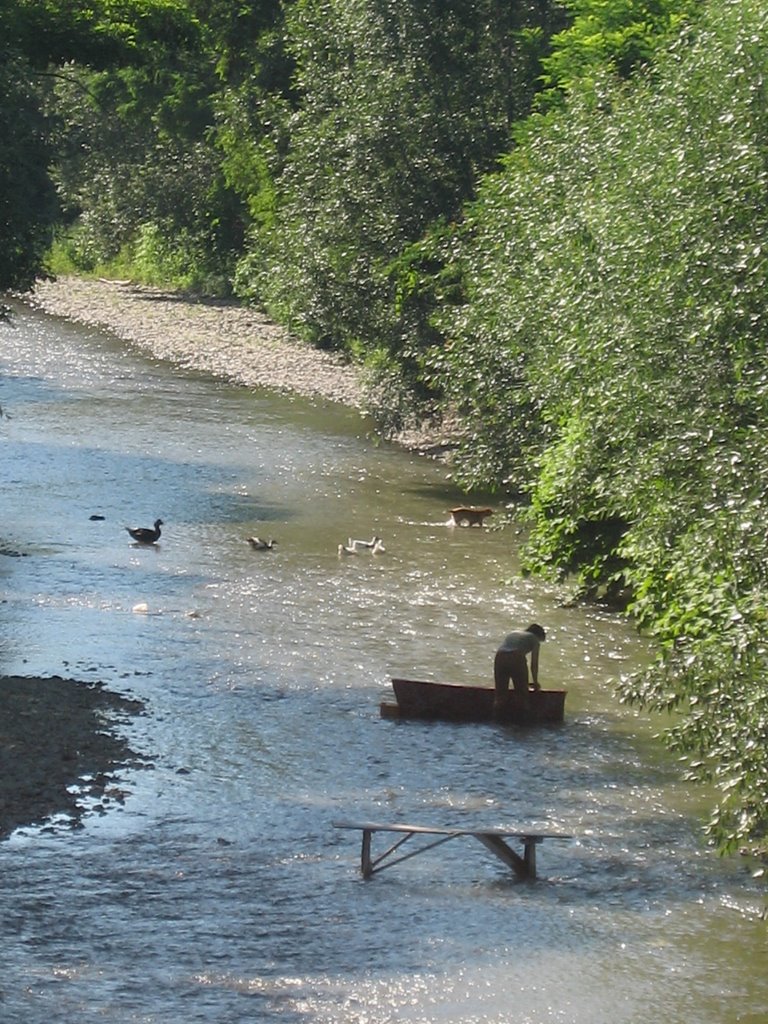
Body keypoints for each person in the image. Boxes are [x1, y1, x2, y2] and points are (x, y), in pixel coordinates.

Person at [493, 624, 546, 716]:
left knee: (500, 696)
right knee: (522, 696)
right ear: (539, 635)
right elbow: (534, 664)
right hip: (516, 657)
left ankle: (496, 720)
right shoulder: (534, 639)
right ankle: (522, 723)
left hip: (500, 656)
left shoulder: (514, 633)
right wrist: (535, 683)